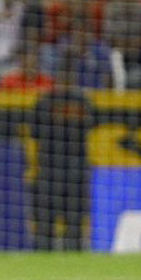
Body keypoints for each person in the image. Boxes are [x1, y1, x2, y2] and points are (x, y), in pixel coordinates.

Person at [31, 50, 95, 250]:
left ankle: (55, 256)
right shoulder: (80, 101)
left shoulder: (49, 101)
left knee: (66, 225)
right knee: (53, 225)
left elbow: (35, 133)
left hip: (61, 170)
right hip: (59, 169)